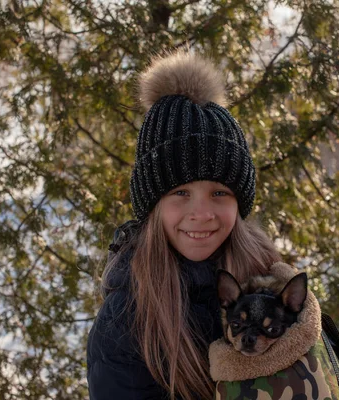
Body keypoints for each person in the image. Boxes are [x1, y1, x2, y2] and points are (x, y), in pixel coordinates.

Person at [86, 48, 283, 399]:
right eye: (180, 192)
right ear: (153, 205)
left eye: (220, 192)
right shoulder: (127, 320)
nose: (202, 213)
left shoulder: (269, 275)